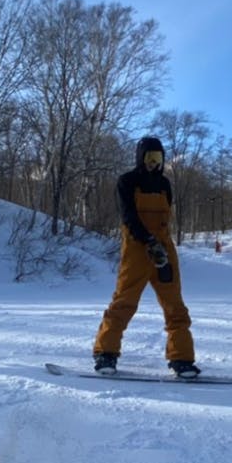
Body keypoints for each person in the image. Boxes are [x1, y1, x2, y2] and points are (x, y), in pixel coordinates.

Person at [92, 136, 199, 378]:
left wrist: (159, 244)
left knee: (175, 305)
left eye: (158, 158)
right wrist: (149, 241)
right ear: (140, 158)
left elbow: (166, 218)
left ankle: (181, 359)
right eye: (149, 158)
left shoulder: (165, 185)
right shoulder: (127, 182)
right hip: (137, 250)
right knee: (124, 302)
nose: (154, 163)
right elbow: (128, 216)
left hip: (164, 250)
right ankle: (105, 354)